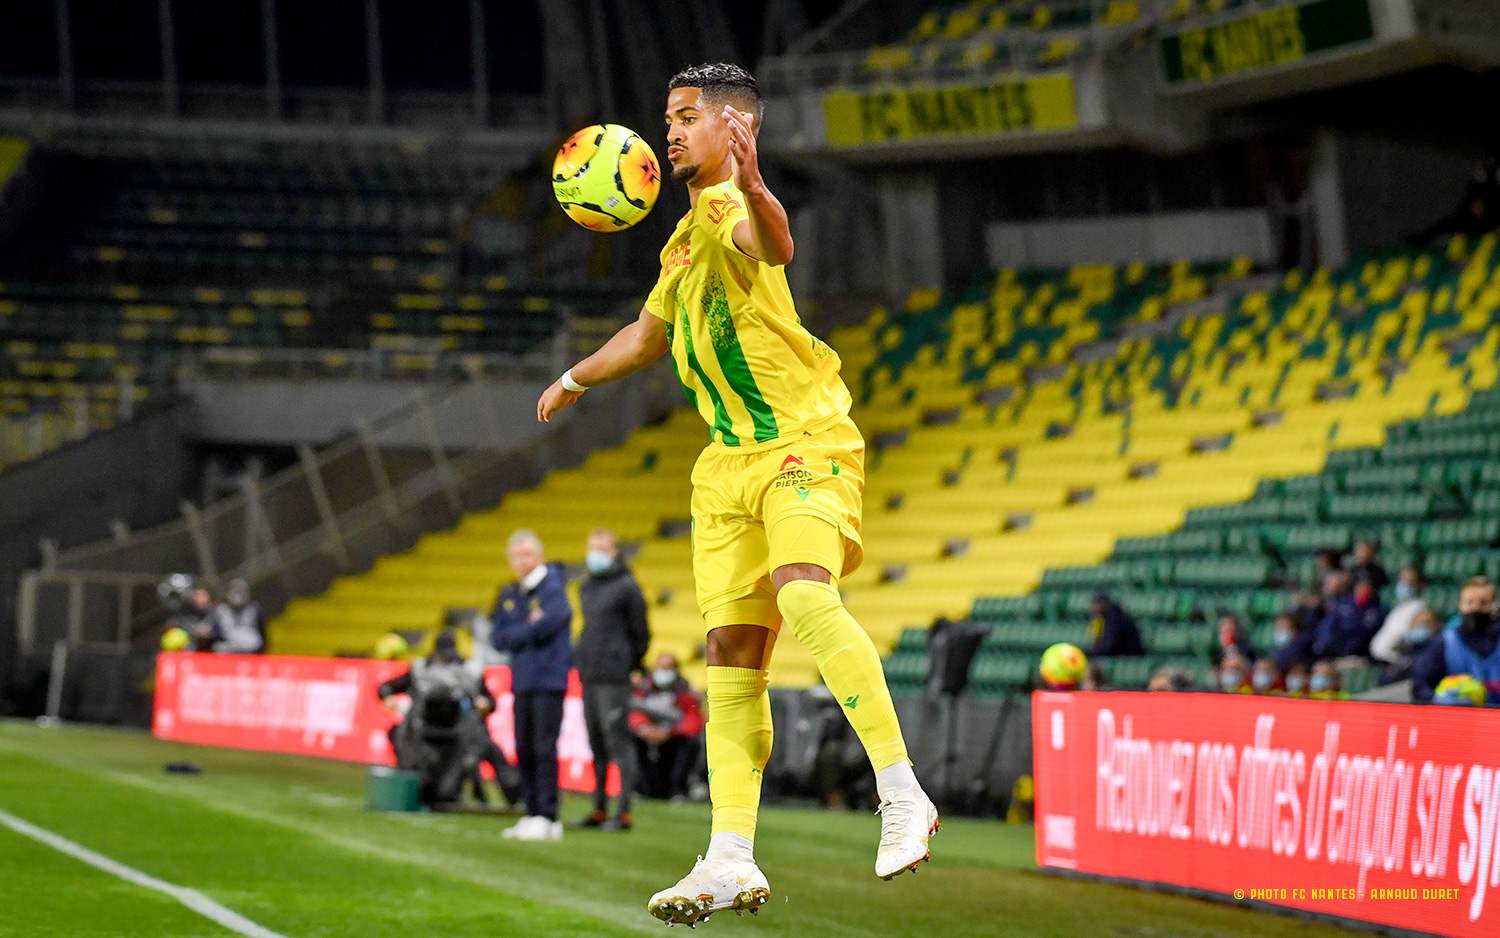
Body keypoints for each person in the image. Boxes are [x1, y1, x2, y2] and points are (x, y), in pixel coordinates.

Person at [535, 63, 934, 921]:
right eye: (667, 118)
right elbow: (647, 336)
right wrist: (573, 377)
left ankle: (901, 790)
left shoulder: (730, 208)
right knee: (729, 661)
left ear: (732, 128)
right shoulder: (683, 238)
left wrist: (754, 183)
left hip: (802, 445)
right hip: (725, 468)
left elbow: (775, 244)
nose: (669, 132)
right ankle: (729, 855)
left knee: (805, 596)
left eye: (686, 117)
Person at [491, 530, 573, 842]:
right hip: (522, 681)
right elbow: (499, 637)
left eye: (526, 554)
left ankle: (548, 816)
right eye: (516, 556)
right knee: (523, 747)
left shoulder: (553, 587)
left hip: (548, 680)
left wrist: (521, 630)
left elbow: (551, 623)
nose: (521, 561)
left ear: (539, 555)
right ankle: (531, 811)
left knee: (543, 747)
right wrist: (529, 626)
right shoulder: (510, 593)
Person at [573, 528, 652, 832]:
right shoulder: (588, 586)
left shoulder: (627, 587)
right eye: (592, 547)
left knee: (617, 741)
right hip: (590, 673)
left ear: (615, 552)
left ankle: (624, 812)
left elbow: (641, 632)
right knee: (597, 743)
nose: (595, 554)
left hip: (614, 675)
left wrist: (630, 663)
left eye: (602, 548)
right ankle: (598, 809)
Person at [378, 630, 495, 807]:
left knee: (446, 792)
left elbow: (491, 701)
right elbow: (387, 687)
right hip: (423, 734)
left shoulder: (469, 672)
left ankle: (468, 788)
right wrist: (388, 697)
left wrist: (486, 705)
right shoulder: (420, 669)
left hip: (456, 737)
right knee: (397, 734)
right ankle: (411, 781)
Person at [1411, 576, 1500, 704]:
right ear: (1460, 605)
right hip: (1461, 719)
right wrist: (1437, 699)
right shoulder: (1445, 643)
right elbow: (1420, 684)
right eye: (1469, 602)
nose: (1476, 608)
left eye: (1483, 602)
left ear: (1493, 606)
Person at [631, 653, 706, 801]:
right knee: (630, 740)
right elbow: (633, 711)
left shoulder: (683, 689)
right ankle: (640, 788)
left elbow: (693, 718)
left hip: (673, 736)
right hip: (648, 733)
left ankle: (677, 789)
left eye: (668, 668)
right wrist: (643, 728)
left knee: (691, 742)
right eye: (661, 668)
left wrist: (671, 732)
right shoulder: (644, 687)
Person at [1312, 571, 1383, 659]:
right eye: (1359, 589)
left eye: (1365, 589)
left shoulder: (1378, 610)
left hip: (1360, 650)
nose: (1362, 592)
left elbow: (1366, 632)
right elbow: (1329, 624)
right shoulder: (1344, 604)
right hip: (1337, 646)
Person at [1369, 565, 1427, 664]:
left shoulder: (1420, 607)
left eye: (1409, 582)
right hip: (1380, 659)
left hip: (1399, 660)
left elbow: (1407, 636)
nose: (1404, 585)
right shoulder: (1399, 609)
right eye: (1402, 581)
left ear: (1418, 584)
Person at [1378, 607, 1441, 686]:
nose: (1420, 626)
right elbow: (1385, 678)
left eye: (1426, 623)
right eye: (1417, 623)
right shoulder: (1405, 649)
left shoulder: (1437, 649)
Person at [209, 578, 266, 654]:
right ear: (228, 593)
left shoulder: (255, 609)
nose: (238, 595)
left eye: (241, 591)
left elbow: (262, 631)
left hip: (251, 647)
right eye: (234, 591)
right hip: (228, 648)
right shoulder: (220, 610)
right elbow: (216, 633)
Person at [1086, 592, 1144, 657]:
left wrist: (1089, 653)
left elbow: (1109, 646)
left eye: (1094, 604)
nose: (1092, 608)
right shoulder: (1104, 618)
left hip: (1129, 656)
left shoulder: (1115, 618)